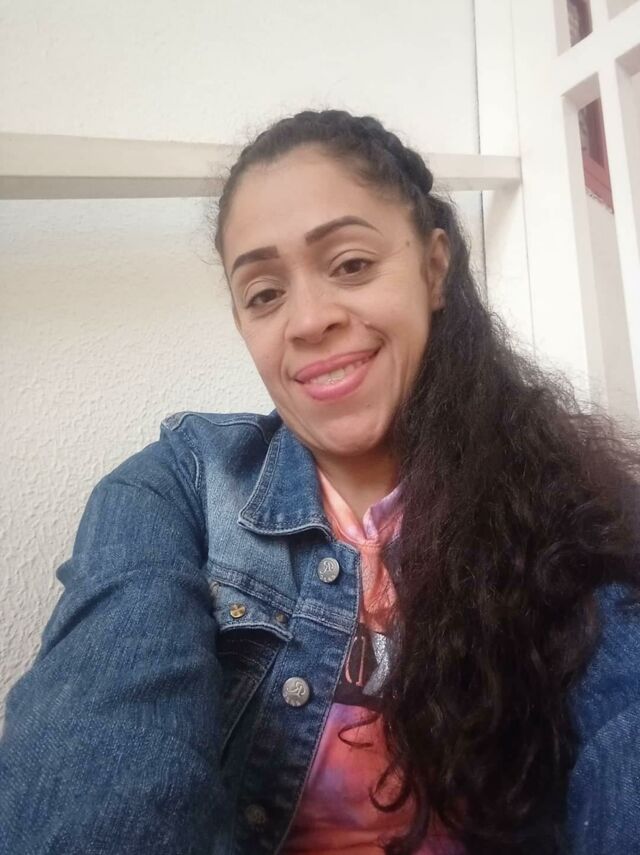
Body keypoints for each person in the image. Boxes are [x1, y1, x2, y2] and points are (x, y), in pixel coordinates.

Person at [1, 108, 639, 855]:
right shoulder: (176, 489)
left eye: (351, 264)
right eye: (264, 293)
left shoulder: (563, 498)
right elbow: (103, 739)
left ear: (434, 268)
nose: (307, 320)